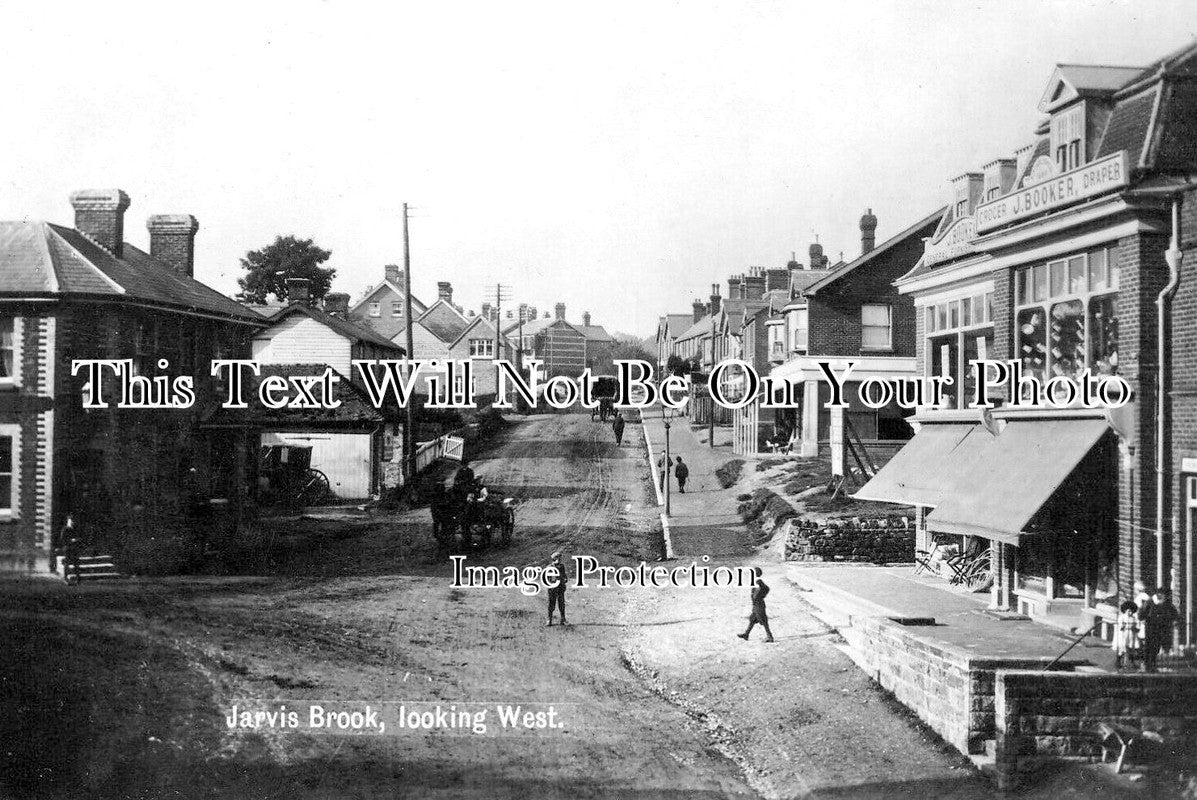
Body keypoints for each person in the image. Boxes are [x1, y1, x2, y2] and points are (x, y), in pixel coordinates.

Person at [1142, 587, 1179, 672]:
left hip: (1161, 629)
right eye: (1158, 593)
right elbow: (1142, 613)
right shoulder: (1150, 602)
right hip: (1150, 628)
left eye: (1162, 594)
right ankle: (1147, 665)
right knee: (1149, 647)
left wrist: (1173, 620)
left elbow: (1174, 613)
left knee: (1156, 648)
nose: (1160, 595)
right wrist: (1144, 619)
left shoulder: (1166, 603)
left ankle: (1153, 665)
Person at [737, 567, 774, 642]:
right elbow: (765, 589)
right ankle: (746, 634)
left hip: (758, 604)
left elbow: (766, 588)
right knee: (752, 619)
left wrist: (758, 597)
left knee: (763, 621)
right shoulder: (757, 581)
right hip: (757, 604)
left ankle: (770, 637)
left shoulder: (758, 581)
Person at [1112, 599, 1139, 670]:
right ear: (1125, 610)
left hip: (1131, 634)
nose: (1130, 613)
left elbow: (1137, 626)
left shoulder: (1133, 618)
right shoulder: (1122, 617)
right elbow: (1120, 626)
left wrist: (1135, 627)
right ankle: (1118, 662)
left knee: (1131, 648)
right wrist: (1123, 626)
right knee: (1122, 648)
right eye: (1128, 611)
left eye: (1131, 611)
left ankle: (1132, 663)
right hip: (1123, 634)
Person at [546, 551, 569, 626]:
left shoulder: (562, 566)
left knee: (561, 604)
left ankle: (563, 619)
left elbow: (564, 576)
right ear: (554, 558)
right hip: (552, 588)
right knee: (551, 604)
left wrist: (565, 579)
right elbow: (546, 578)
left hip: (560, 588)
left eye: (560, 558)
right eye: (558, 558)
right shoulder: (549, 567)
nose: (559, 559)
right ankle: (549, 619)